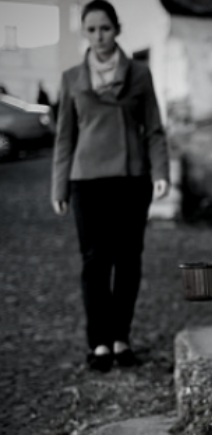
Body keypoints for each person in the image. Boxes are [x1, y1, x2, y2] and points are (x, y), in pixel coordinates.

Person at [51, 0, 169, 372]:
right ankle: (98, 342)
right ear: (84, 33)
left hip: (131, 178)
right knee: (94, 262)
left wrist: (160, 172)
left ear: (117, 29)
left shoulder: (138, 73)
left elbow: (154, 129)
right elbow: (64, 137)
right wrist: (59, 186)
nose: (99, 36)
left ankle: (121, 337)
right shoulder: (72, 78)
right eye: (91, 30)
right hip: (86, 181)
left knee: (128, 259)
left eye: (105, 28)